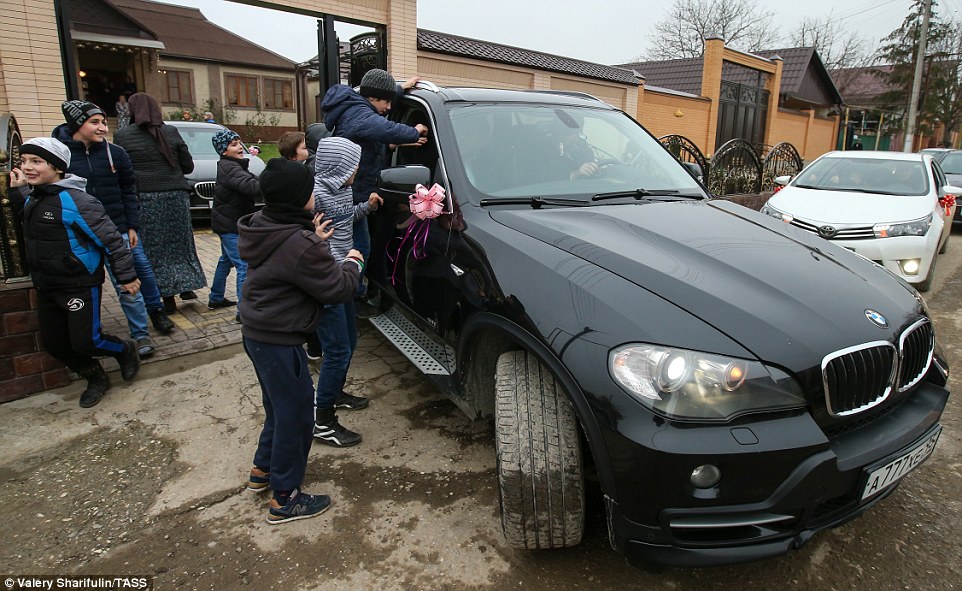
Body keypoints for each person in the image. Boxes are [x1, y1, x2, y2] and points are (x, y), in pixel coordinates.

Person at [237, 157, 362, 523]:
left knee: (279, 407)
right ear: (299, 197)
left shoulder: (266, 224)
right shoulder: (300, 244)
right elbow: (337, 288)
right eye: (310, 190)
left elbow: (291, 255)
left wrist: (313, 240)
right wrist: (353, 261)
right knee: (295, 415)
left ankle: (262, 471)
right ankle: (285, 499)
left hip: (258, 332)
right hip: (277, 338)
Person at [8, 137, 141, 408]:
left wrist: (127, 277)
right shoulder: (35, 197)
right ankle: (95, 376)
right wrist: (17, 191)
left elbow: (112, 240)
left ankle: (125, 349)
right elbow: (28, 217)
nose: (27, 167)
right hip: (47, 284)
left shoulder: (77, 200)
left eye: (36, 161)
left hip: (78, 283)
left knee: (87, 340)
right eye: (24, 162)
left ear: (57, 168)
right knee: (55, 344)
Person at [54, 100, 175, 358]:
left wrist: (131, 225)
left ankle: (145, 326)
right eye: (94, 122)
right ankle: (89, 333)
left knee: (133, 275)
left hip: (117, 229)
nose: (102, 127)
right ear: (77, 125)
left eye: (102, 121)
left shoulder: (116, 153)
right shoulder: (60, 155)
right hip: (80, 233)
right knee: (86, 283)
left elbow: (129, 191)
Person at [320, 69, 428, 312]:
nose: (389, 107)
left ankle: (355, 292)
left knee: (361, 246)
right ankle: (353, 297)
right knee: (360, 248)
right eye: (386, 101)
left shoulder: (356, 106)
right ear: (372, 98)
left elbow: (378, 126)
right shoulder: (361, 115)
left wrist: (402, 88)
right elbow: (386, 128)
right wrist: (415, 130)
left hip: (358, 192)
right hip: (354, 195)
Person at [311, 137, 381, 447]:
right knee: (337, 350)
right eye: (354, 165)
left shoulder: (342, 189)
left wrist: (367, 207)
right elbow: (300, 238)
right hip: (325, 281)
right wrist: (314, 239)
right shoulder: (314, 195)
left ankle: (334, 393)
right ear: (340, 167)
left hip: (342, 278)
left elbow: (344, 219)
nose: (358, 170)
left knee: (349, 342)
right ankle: (321, 420)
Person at [114, 93, 207, 314]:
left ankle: (166, 297)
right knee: (180, 245)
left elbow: (123, 171)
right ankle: (185, 286)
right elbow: (188, 167)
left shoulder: (122, 136)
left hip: (145, 199)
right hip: (176, 197)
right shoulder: (170, 132)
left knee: (154, 249)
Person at [210, 129, 258, 319]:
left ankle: (215, 297)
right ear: (224, 151)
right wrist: (273, 184)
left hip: (226, 221)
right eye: (234, 144)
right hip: (229, 225)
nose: (239, 147)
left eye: (239, 142)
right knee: (243, 265)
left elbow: (252, 180)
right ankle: (242, 311)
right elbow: (250, 186)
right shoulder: (231, 168)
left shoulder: (234, 165)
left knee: (226, 260)